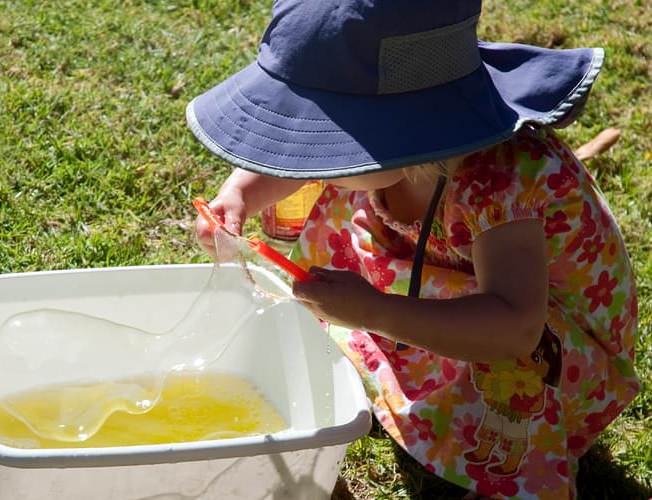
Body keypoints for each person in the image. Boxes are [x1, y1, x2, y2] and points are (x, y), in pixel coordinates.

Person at [188, 1, 639, 498]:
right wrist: (237, 197)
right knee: (340, 218)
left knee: (517, 379)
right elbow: (284, 158)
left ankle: (516, 470)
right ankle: (398, 372)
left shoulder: (502, 180)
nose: (307, 157)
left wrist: (374, 310)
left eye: (323, 140)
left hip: (538, 339)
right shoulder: (396, 156)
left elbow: (514, 327)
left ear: (407, 130)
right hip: (436, 286)